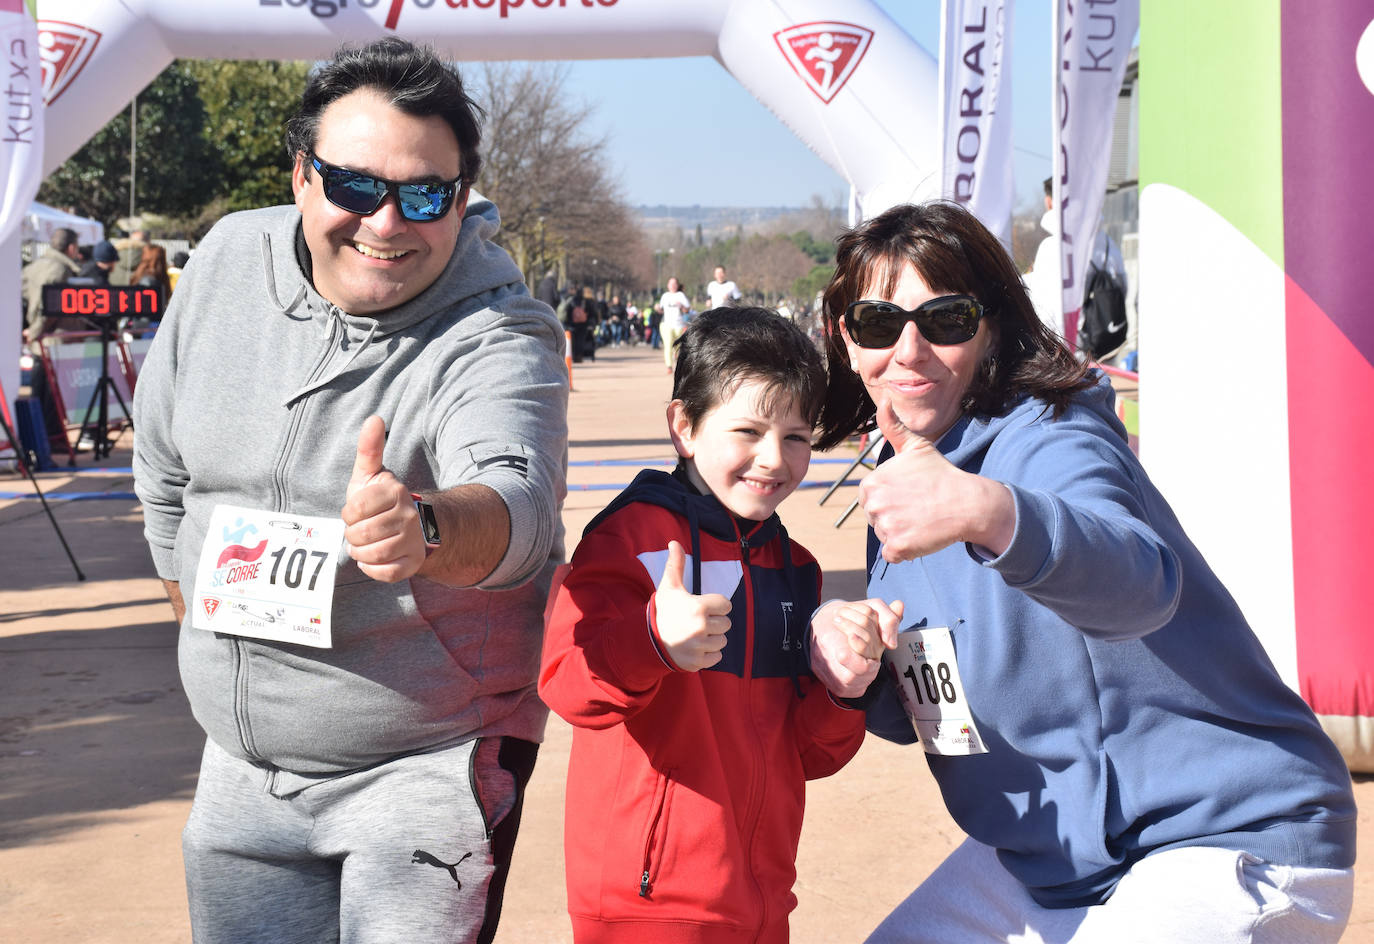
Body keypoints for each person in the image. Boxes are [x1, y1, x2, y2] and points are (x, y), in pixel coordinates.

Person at [807, 201, 1357, 944]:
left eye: (945, 320)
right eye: (879, 323)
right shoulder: (903, 487)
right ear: (847, 339)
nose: (909, 351)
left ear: (991, 328)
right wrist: (859, 668)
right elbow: (945, 710)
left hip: (1224, 834)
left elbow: (1140, 582)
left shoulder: (1050, 436)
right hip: (1055, 862)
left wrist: (992, 512)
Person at [131, 37, 569, 944]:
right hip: (239, 771)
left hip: (424, 767)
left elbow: (518, 504)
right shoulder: (224, 262)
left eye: (423, 195)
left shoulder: (498, 333)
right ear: (301, 176)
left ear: (459, 197)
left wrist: (428, 529)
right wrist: (205, 629)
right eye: (355, 187)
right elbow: (164, 469)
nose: (387, 222)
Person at [540, 307, 894, 943]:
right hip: (646, 904)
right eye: (748, 431)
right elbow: (568, 684)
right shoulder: (631, 537)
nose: (773, 458)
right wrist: (651, 641)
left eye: (795, 437)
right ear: (684, 426)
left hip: (762, 900)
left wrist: (846, 688)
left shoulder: (797, 567)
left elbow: (811, 755)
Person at [20, 227, 81, 342]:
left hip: (39, 338)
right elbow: (51, 308)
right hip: (55, 340)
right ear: (71, 248)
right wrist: (34, 332)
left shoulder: (33, 266)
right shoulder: (60, 270)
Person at [656, 276, 691, 372]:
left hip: (679, 325)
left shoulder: (681, 295)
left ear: (677, 285)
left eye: (674, 284)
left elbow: (687, 310)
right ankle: (669, 366)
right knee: (668, 345)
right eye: (670, 284)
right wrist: (657, 308)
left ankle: (676, 358)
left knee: (679, 346)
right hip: (666, 325)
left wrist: (682, 306)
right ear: (668, 285)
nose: (672, 285)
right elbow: (660, 310)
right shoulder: (665, 296)